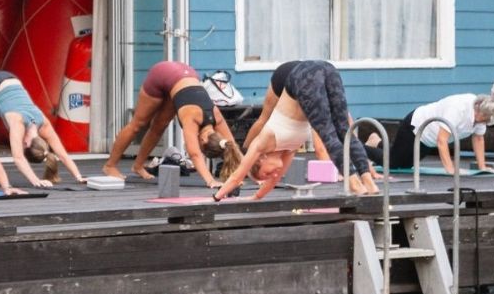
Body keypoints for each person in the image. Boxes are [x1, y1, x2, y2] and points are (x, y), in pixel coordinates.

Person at [215, 60, 378, 201]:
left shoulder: (262, 143)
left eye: (266, 174)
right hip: (326, 68)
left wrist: (217, 197)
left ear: (261, 160)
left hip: (301, 76)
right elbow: (275, 179)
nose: (272, 176)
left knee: (330, 136)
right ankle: (368, 183)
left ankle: (356, 184)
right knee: (344, 132)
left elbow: (237, 175)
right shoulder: (289, 150)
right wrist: (257, 196)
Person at [102, 60, 243, 188]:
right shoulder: (192, 118)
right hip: (163, 74)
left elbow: (233, 148)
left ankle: (138, 166)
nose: (198, 147)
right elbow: (194, 154)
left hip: (183, 76)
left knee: (159, 125)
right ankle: (110, 166)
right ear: (203, 139)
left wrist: (245, 177)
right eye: (202, 148)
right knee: (138, 124)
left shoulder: (216, 117)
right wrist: (210, 180)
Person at [0, 70, 86, 188]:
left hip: (8, 84)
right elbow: (18, 158)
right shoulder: (19, 124)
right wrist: (36, 181)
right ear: (26, 144)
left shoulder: (43, 124)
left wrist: (78, 176)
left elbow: (62, 154)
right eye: (23, 146)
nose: (21, 144)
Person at [363, 93, 494, 173]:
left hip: (428, 139)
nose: (483, 124)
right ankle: (359, 146)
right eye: (484, 120)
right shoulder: (457, 109)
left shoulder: (481, 117)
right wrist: (450, 169)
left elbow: (479, 139)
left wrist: (482, 167)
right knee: (392, 164)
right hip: (416, 127)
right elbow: (441, 141)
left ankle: (377, 141)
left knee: (405, 165)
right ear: (478, 110)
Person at [242, 61, 334, 161]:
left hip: (302, 76)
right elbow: (320, 150)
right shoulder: (319, 104)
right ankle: (241, 157)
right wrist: (340, 175)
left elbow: (349, 133)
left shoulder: (336, 101)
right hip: (285, 75)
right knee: (265, 119)